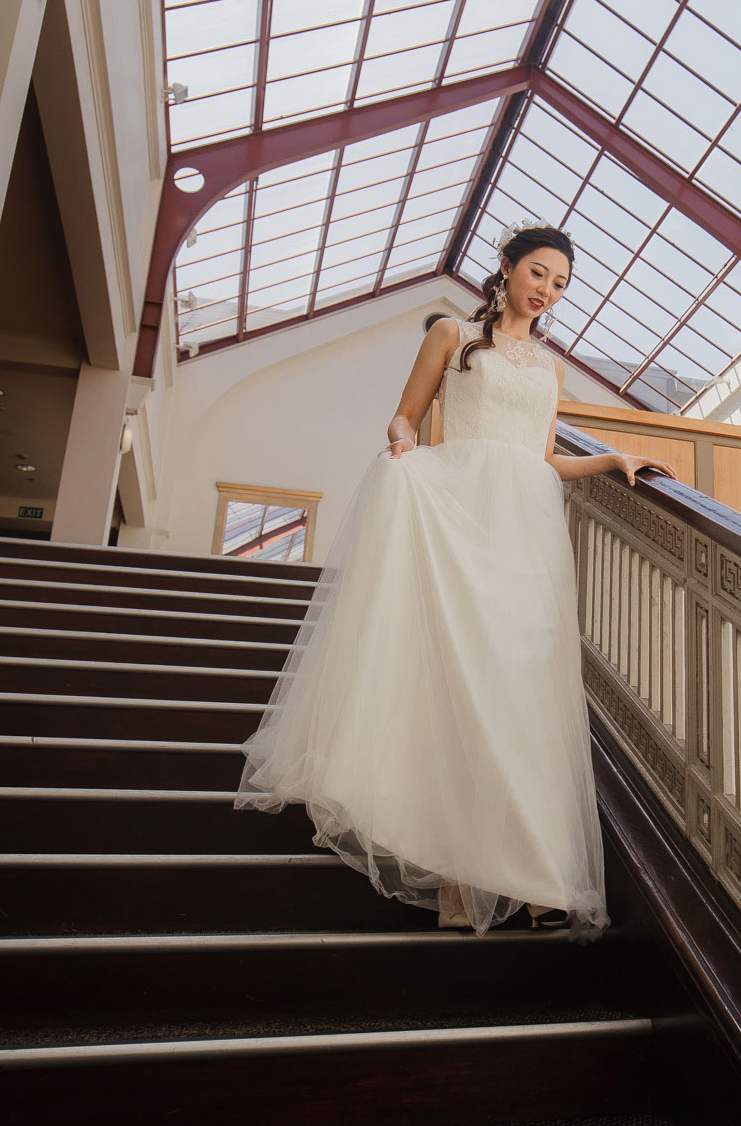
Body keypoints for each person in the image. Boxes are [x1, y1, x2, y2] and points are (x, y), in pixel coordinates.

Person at [234, 224, 679, 940]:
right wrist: (404, 447)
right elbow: (406, 415)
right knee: (457, 682)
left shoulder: (549, 367)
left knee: (516, 687)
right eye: (538, 272)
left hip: (524, 529)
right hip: (458, 509)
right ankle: (454, 874)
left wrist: (610, 459)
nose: (547, 290)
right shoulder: (449, 333)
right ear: (505, 267)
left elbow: (537, 456)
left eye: (561, 283)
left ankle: (524, 870)